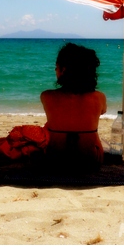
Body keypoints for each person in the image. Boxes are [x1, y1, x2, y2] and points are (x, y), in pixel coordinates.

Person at [40, 42, 107, 171]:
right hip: (91, 160)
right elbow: (102, 111)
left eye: (56, 67)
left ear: (63, 70)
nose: (55, 70)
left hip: (55, 160)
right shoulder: (99, 97)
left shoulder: (46, 96)